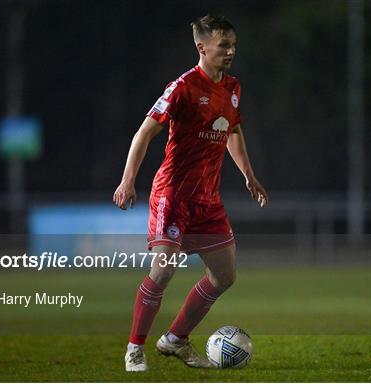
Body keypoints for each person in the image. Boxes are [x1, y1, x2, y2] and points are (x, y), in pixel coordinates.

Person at [113, 14, 268, 372]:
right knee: (164, 272)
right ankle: (135, 349)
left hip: (208, 200)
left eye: (233, 46)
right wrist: (127, 180)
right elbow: (144, 133)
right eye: (223, 46)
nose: (230, 52)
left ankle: (174, 340)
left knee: (225, 277)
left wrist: (249, 174)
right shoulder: (183, 87)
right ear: (202, 48)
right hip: (173, 195)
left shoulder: (232, 88)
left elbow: (232, 131)